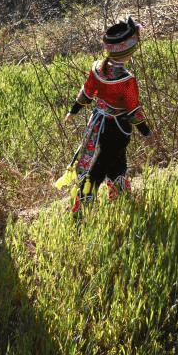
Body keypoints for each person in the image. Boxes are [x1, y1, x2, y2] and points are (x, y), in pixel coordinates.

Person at [63, 17, 150, 216]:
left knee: (118, 163)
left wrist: (73, 111)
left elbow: (86, 92)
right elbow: (133, 109)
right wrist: (145, 130)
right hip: (118, 128)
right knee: (97, 171)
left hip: (98, 123)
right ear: (128, 51)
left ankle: (123, 202)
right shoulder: (127, 79)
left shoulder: (97, 69)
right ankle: (79, 213)